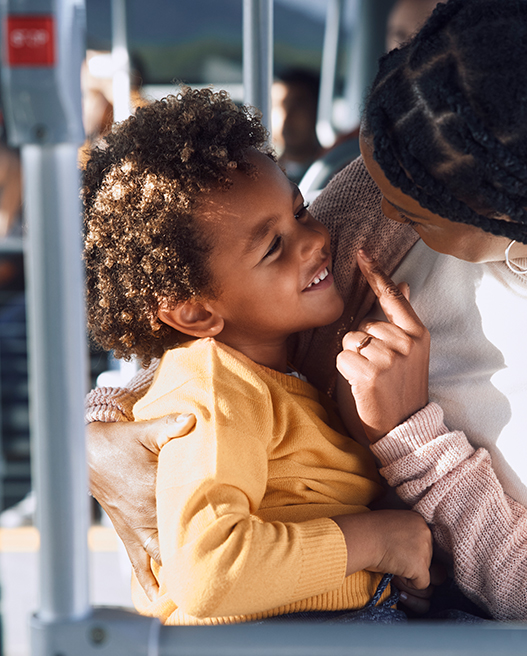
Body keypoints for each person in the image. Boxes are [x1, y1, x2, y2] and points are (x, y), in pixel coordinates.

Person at [86, 0, 527, 622]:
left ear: (505, 214)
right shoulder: (391, 183)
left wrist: (407, 441)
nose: (325, 231)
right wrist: (98, 434)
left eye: (411, 209)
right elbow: (208, 347)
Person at [83, 87, 433, 625]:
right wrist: (384, 541)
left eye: (298, 210)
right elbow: (210, 572)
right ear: (196, 314)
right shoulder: (214, 387)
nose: (314, 239)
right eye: (273, 247)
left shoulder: (266, 379)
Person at [271, 69, 323, 184]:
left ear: (316, 109)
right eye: (278, 105)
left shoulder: (336, 168)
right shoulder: (261, 173)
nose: (287, 116)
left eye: (298, 105)